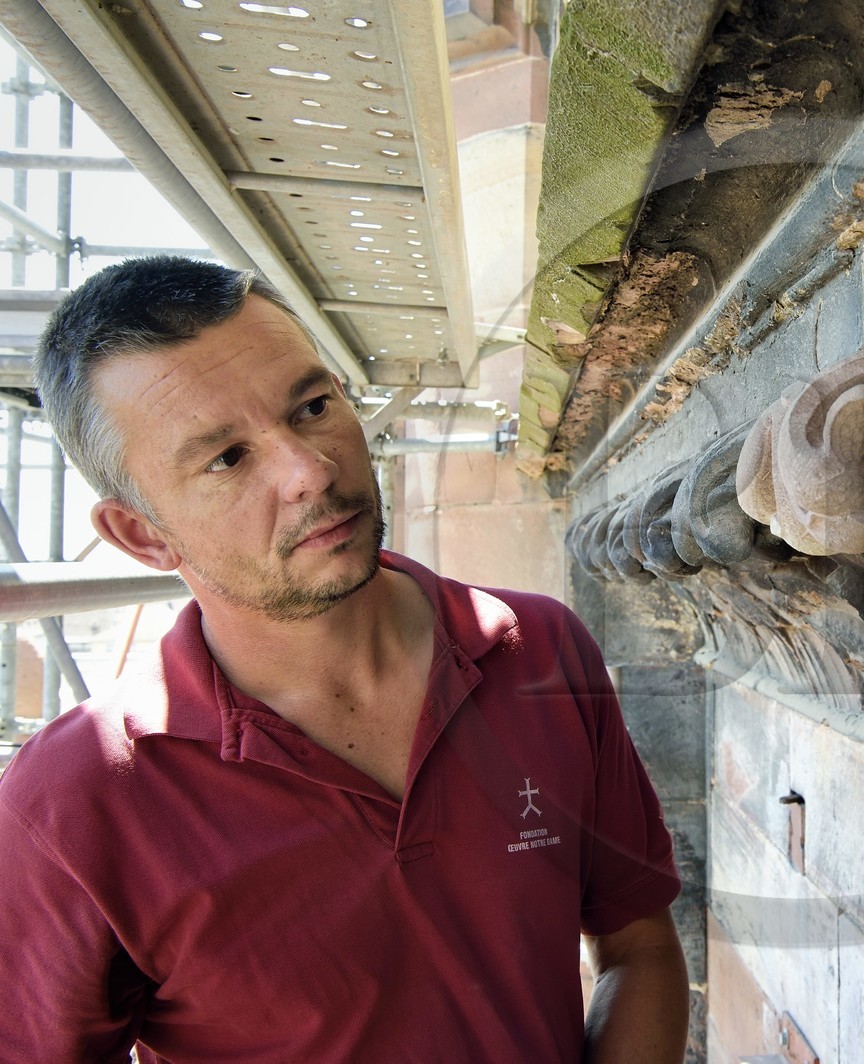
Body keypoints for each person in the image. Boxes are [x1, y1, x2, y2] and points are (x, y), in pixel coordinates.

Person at [0, 256, 689, 1063]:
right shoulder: (72, 805)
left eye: (313, 405)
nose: (311, 469)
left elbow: (637, 945)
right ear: (144, 534)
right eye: (227, 458)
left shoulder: (537, 645)